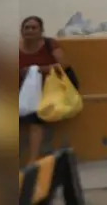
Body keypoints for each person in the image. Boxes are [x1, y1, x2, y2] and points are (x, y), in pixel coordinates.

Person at [18, 16, 69, 166]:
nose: (30, 30)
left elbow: (64, 64)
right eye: (26, 27)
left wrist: (39, 69)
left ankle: (32, 161)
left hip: (46, 90)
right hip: (21, 90)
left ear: (41, 31)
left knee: (35, 122)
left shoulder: (50, 44)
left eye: (34, 28)